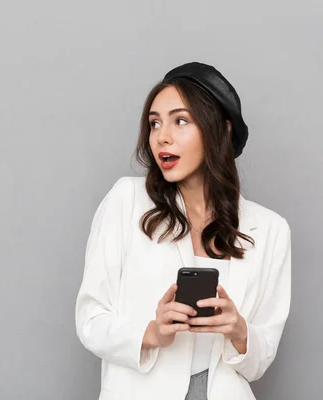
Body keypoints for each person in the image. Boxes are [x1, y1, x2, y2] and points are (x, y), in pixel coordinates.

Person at [75, 61, 291, 400]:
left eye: (180, 121)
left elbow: (260, 362)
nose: (162, 136)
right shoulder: (126, 200)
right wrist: (152, 332)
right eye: (155, 123)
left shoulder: (270, 229)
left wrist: (239, 330)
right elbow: (90, 319)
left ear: (221, 130)